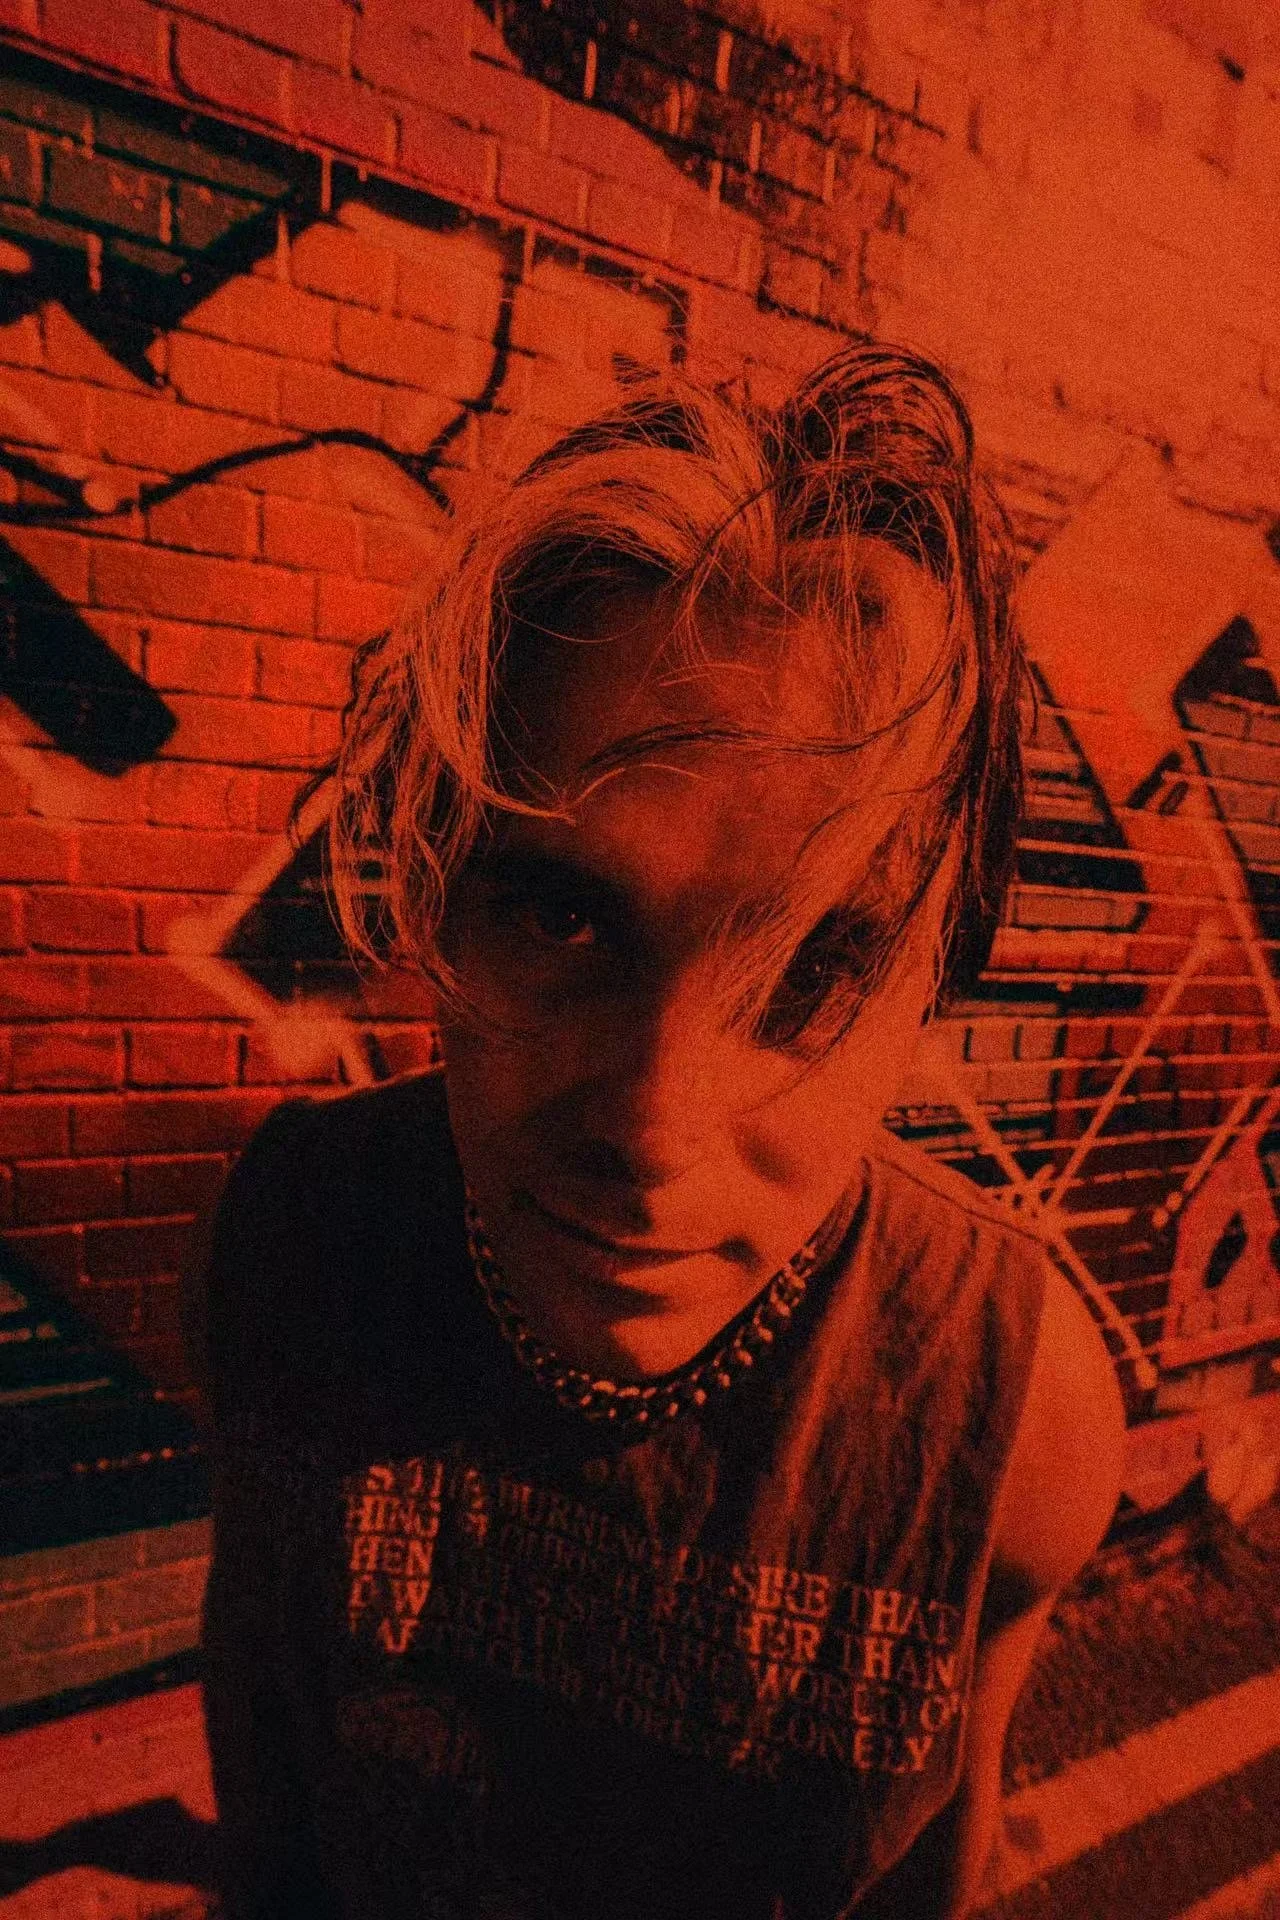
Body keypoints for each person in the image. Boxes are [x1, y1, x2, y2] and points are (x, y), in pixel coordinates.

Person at [192, 345, 1126, 1920]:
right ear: (436, 892)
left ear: (931, 988)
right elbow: (262, 1739)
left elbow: (925, 1868)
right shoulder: (286, 1239)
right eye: (562, 917)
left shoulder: (1013, 1416)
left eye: (812, 968)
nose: (652, 1122)